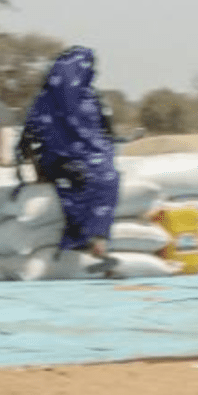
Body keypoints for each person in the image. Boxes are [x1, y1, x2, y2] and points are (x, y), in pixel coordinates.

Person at [14, 46, 119, 262]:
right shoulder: (46, 101)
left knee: (106, 177)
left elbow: (106, 134)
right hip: (57, 161)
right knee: (85, 180)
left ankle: (92, 240)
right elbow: (28, 139)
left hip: (90, 157)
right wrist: (37, 173)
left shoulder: (91, 98)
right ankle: (88, 239)